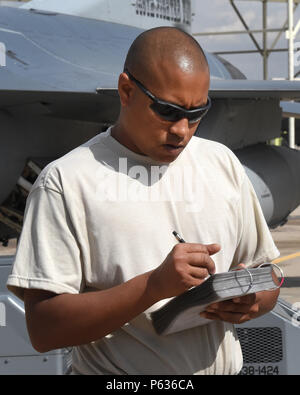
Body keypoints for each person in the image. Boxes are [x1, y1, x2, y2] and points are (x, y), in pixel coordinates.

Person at [7, 27, 280, 375]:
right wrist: (152, 287)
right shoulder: (66, 182)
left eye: (197, 113)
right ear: (126, 90)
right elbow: (44, 329)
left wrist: (252, 299)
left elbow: (266, 272)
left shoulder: (221, 162)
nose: (182, 129)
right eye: (167, 111)